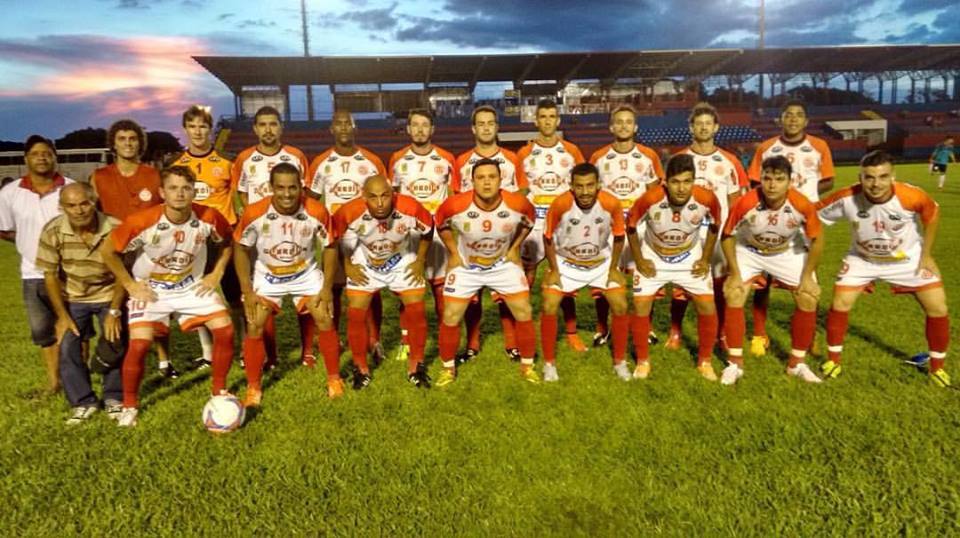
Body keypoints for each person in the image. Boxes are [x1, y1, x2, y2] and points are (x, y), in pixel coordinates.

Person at [100, 166, 235, 427]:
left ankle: (218, 390)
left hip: (190, 286)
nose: (180, 193)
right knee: (139, 345)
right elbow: (108, 251)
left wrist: (216, 273)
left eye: (186, 188)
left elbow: (227, 242)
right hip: (152, 290)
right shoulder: (142, 221)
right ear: (162, 192)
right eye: (173, 188)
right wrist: (130, 285)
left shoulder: (209, 217)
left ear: (194, 191)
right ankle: (130, 406)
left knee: (225, 330)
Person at [817, 150, 951, 387]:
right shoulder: (847, 197)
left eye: (882, 176)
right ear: (860, 178)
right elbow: (812, 214)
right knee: (840, 304)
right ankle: (833, 361)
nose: (875, 183)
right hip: (862, 259)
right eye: (869, 177)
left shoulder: (911, 196)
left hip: (907, 260)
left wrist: (927, 255)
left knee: (938, 306)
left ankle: (937, 369)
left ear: (892, 176)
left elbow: (932, 213)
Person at [233, 163, 341, 404]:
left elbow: (331, 247)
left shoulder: (317, 211)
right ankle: (253, 388)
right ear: (270, 188)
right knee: (254, 324)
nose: (287, 194)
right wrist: (246, 290)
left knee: (324, 316)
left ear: (301, 187)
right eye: (280, 188)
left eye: (293, 188)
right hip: (268, 276)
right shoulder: (254, 213)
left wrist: (326, 289)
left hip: (305, 274)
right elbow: (240, 249)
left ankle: (334, 378)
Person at [719, 156, 824, 385]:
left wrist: (807, 277)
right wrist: (735, 273)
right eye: (767, 178)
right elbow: (727, 236)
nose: (772, 185)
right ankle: (734, 364)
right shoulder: (746, 202)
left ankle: (797, 364)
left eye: (779, 179)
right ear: (760, 180)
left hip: (786, 251)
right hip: (750, 250)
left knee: (808, 296)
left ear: (790, 181)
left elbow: (817, 240)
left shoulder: (801, 204)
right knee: (734, 292)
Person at [433, 158, 538, 386]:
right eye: (480, 178)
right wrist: (453, 252)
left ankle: (528, 366)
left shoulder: (517, 203)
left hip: (502, 264)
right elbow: (440, 222)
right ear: (472, 182)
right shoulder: (454, 205)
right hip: (467, 266)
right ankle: (448, 369)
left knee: (524, 310)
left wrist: (515, 248)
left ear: (501, 180)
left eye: (492, 177)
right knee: (451, 314)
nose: (486, 183)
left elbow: (530, 221)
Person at [747, 100, 834, 357]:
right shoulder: (766, 147)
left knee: (808, 280)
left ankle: (809, 337)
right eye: (788, 115)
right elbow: (754, 182)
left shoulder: (819, 146)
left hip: (804, 221)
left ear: (806, 121)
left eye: (799, 116)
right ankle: (760, 334)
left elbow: (828, 180)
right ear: (780, 120)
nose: (793, 119)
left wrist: (806, 199)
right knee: (762, 280)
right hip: (769, 219)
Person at [625, 154, 721, 381]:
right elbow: (630, 227)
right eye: (676, 182)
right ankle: (642, 361)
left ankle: (705, 362)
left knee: (707, 306)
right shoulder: (650, 198)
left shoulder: (707, 199)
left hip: (689, 256)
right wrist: (639, 260)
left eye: (687, 181)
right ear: (665, 182)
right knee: (640, 306)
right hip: (653, 256)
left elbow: (716, 226)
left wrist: (705, 259)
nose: (681, 188)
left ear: (694, 181)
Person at [332, 175, 433, 389]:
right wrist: (348, 265)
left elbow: (428, 229)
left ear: (393, 194)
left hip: (401, 260)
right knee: (356, 312)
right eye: (373, 197)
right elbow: (335, 238)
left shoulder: (410, 207)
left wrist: (420, 261)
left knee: (417, 309)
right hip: (366, 262)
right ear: (363, 197)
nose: (380, 203)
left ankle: (416, 366)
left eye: (385, 196)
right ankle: (361, 369)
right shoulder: (349, 211)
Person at [36, 183, 127, 423]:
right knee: (67, 346)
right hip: (74, 296)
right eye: (71, 205)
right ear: (62, 207)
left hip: (108, 293)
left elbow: (124, 273)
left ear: (93, 201)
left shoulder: (115, 227)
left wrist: (115, 311)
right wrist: (63, 316)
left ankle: (114, 398)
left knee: (114, 341)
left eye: (84, 203)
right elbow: (50, 276)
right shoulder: (53, 230)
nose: (79, 210)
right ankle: (83, 401)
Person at [231, 106, 313, 369]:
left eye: (273, 124)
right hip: (260, 236)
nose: (268, 129)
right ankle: (271, 355)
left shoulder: (296, 156)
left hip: (293, 234)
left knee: (306, 292)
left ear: (281, 127)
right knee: (261, 297)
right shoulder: (244, 158)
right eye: (263, 124)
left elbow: (308, 195)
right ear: (255, 128)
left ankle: (308, 351)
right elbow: (240, 194)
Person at [307, 110, 387, 363]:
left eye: (347, 123)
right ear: (332, 129)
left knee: (371, 289)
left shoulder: (371, 161)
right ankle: (337, 336)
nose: (343, 128)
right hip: (336, 239)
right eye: (338, 124)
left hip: (367, 237)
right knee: (335, 288)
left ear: (354, 128)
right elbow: (311, 201)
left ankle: (375, 339)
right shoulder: (321, 162)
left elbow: (384, 196)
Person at [669, 102, 749, 351]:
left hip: (718, 233)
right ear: (691, 127)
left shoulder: (729, 161)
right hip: (688, 233)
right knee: (682, 285)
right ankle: (676, 332)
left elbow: (736, 201)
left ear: (716, 128)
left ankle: (721, 333)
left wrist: (731, 232)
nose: (703, 128)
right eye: (698, 123)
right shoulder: (680, 159)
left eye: (708, 124)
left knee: (720, 285)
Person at [540, 163, 630, 382]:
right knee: (549, 304)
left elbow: (619, 236)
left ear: (598, 185)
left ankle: (620, 362)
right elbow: (548, 237)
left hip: (600, 262)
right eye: (579, 186)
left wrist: (613, 268)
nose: (585, 191)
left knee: (620, 304)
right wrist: (553, 269)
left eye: (590, 185)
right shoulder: (561, 204)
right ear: (571, 186)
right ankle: (549, 365)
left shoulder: (611, 203)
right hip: (567, 262)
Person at [0, 135, 74, 396]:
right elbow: (5, 229)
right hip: (32, 273)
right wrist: (29, 246)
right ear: (26, 159)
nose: (42, 157)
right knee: (44, 332)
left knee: (76, 328)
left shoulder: (71, 188)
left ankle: (78, 380)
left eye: (47, 153)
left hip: (69, 273)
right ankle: (54, 383)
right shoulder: (10, 193)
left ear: (55, 157)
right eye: (35, 154)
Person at [453, 105, 527, 362]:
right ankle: (472, 344)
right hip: (470, 239)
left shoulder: (512, 159)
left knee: (506, 293)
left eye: (490, 123)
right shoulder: (461, 161)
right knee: (472, 295)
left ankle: (512, 344)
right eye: (481, 123)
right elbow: (455, 200)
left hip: (503, 239)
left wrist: (514, 239)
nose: (486, 127)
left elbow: (522, 197)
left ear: (497, 127)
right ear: (473, 129)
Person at [171, 105, 239, 370]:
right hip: (193, 241)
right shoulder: (177, 165)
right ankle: (208, 354)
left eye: (202, 126)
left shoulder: (226, 161)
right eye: (192, 126)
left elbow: (239, 195)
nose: (198, 131)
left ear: (210, 130)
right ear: (185, 129)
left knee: (234, 297)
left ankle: (243, 347)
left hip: (223, 239)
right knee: (198, 296)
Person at [590, 105, 663, 348]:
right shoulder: (599, 157)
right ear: (611, 127)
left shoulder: (648, 156)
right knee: (603, 277)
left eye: (628, 122)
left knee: (644, 276)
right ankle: (603, 328)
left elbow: (656, 194)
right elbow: (591, 192)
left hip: (639, 227)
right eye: (618, 122)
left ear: (635, 126)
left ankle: (646, 327)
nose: (623, 126)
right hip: (607, 227)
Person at [517, 99, 587, 352]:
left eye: (552, 116)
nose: (547, 121)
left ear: (558, 120)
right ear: (536, 121)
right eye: (543, 116)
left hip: (564, 223)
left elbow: (582, 187)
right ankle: (522, 325)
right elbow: (522, 190)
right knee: (528, 274)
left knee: (565, 276)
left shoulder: (572, 151)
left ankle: (571, 332)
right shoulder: (524, 153)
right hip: (534, 223)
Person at [388, 108, 457, 323]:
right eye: (415, 125)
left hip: (437, 232)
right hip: (409, 233)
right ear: (408, 129)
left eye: (424, 125)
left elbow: (455, 197)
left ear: (432, 129)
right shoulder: (397, 159)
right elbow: (394, 197)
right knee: (407, 291)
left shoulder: (446, 158)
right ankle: (407, 342)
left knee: (440, 287)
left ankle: (445, 337)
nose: (420, 130)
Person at [91, 119, 161, 220]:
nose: (128, 143)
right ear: (114, 144)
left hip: (148, 234)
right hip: (113, 234)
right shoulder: (99, 176)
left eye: (132, 139)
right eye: (121, 139)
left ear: (139, 143)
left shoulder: (156, 176)